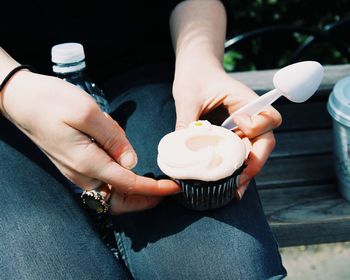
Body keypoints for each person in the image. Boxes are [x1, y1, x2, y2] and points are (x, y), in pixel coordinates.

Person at [0, 0, 286, 279]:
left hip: (152, 72)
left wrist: (201, 61)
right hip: (9, 101)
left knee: (227, 268)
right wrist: (9, 86)